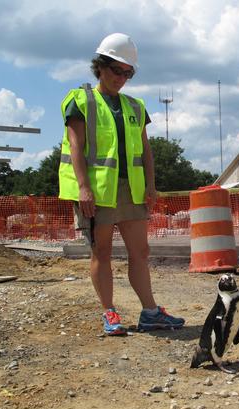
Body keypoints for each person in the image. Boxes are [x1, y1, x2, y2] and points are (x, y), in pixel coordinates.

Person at [58, 33, 185, 335]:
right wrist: (84, 188)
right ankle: (109, 313)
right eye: (117, 70)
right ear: (100, 66)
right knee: (101, 253)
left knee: (140, 252)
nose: (122, 78)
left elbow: (146, 150)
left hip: (131, 190)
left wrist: (151, 186)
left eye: (128, 73)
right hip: (98, 192)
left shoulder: (135, 106)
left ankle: (150, 312)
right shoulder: (80, 101)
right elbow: (76, 147)